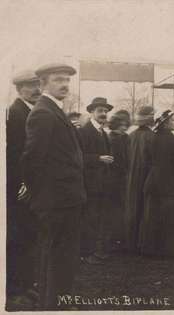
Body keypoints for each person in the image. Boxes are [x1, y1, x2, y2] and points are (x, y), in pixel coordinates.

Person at [21, 63, 86, 310]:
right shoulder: (43, 113)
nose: (65, 85)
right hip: (57, 202)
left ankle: (57, 303)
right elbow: (32, 159)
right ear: (43, 84)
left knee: (61, 256)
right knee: (59, 256)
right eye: (58, 80)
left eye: (67, 81)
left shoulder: (54, 110)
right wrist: (42, 198)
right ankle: (56, 306)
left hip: (66, 199)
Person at [6, 70, 41, 309]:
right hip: (19, 189)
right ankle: (14, 290)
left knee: (30, 237)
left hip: (31, 187)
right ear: (19, 90)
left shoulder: (31, 111)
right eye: (30, 86)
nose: (36, 90)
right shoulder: (15, 113)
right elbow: (13, 155)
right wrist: (22, 183)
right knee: (17, 239)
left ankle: (26, 285)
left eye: (37, 85)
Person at [140, 110, 174, 257]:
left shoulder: (150, 139)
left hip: (153, 182)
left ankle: (151, 249)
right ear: (166, 123)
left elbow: (145, 162)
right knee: (171, 216)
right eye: (173, 120)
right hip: (170, 184)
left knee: (153, 214)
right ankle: (170, 250)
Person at [78, 97, 114, 264]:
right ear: (91, 112)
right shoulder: (84, 132)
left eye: (106, 111)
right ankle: (87, 253)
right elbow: (78, 157)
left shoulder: (103, 132)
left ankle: (96, 250)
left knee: (100, 217)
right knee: (89, 218)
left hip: (103, 184)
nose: (104, 114)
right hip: (90, 184)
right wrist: (98, 158)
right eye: (100, 111)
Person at [125, 106, 155, 253]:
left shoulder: (130, 136)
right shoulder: (152, 137)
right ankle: (142, 243)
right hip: (146, 176)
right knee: (146, 208)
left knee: (132, 207)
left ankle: (130, 242)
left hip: (131, 177)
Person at [107, 113, 130, 247]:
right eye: (121, 125)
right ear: (114, 126)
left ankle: (120, 237)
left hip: (123, 177)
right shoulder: (112, 139)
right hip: (114, 178)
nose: (124, 128)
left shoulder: (125, 138)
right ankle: (115, 238)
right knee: (115, 209)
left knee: (121, 208)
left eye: (125, 125)